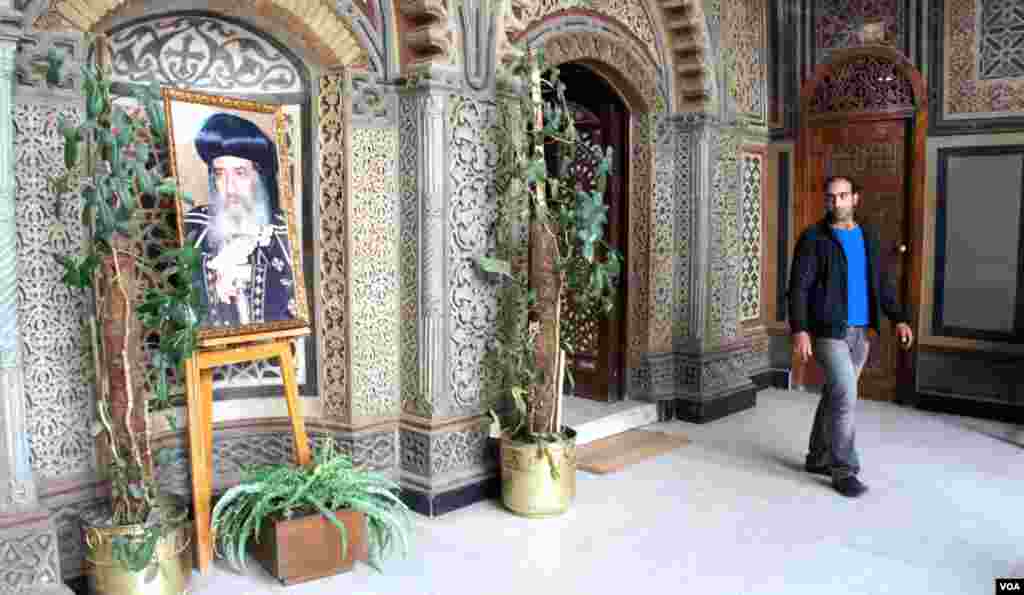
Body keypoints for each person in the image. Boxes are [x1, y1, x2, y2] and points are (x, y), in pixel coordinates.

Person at [786, 175, 914, 498]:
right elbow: (798, 288)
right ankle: (844, 469)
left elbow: (882, 283)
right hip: (829, 330)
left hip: (861, 332)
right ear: (826, 201)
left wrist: (898, 318)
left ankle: (817, 456)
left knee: (834, 394)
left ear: (855, 199)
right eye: (831, 197)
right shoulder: (814, 238)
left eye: (843, 196)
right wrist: (800, 329)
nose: (836, 202)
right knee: (846, 396)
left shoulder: (867, 236)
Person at [183, 112, 297, 329]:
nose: (229, 188)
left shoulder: (287, 232)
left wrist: (248, 275)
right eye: (219, 174)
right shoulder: (194, 228)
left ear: (259, 177)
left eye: (240, 173)